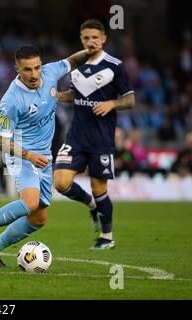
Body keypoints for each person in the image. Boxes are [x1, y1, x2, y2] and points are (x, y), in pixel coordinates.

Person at [0, 42, 102, 268]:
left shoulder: (51, 72)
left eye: (37, 68)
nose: (34, 74)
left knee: (38, 218)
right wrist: (29, 156)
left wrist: (91, 51)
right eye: (27, 69)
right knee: (29, 202)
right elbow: (2, 141)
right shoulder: (10, 101)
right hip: (20, 153)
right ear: (17, 69)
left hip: (43, 155)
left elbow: (72, 61)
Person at [54, 19, 135, 250]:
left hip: (101, 139)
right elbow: (75, 94)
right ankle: (90, 204)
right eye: (86, 38)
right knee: (60, 183)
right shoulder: (76, 65)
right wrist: (60, 96)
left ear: (104, 39)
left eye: (95, 37)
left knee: (99, 188)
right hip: (76, 136)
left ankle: (107, 237)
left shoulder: (115, 65)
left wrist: (112, 103)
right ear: (81, 39)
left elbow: (130, 99)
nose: (91, 41)